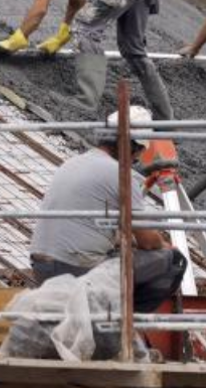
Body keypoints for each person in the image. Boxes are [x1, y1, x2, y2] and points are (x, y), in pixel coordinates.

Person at [0, 0, 173, 120]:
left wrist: (20, 36)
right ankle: (165, 118)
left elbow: (41, 6)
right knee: (133, 49)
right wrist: (62, 34)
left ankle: (86, 102)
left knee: (86, 28)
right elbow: (77, 1)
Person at [29, 106, 187, 311]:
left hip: (41, 268)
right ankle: (123, 324)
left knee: (120, 251)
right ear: (131, 147)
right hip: (76, 270)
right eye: (138, 153)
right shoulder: (122, 175)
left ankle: (105, 314)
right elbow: (148, 242)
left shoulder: (74, 162)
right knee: (174, 261)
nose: (136, 160)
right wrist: (164, 245)